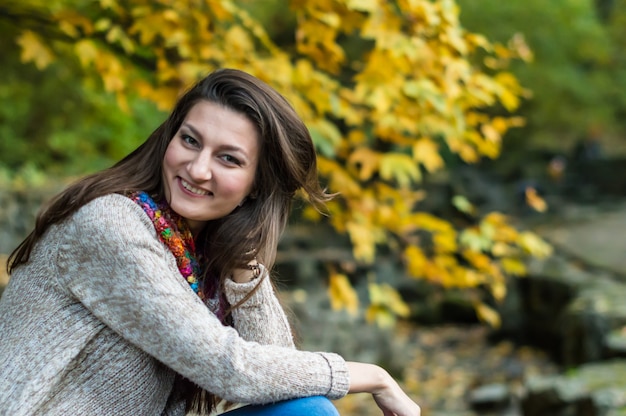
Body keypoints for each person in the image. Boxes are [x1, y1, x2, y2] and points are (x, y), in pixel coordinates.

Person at [0, 68, 420, 416]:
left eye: (228, 158)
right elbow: (228, 367)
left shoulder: (200, 256)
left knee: (304, 411)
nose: (197, 169)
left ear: (258, 185)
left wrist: (243, 260)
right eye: (190, 140)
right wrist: (373, 377)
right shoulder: (112, 224)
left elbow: (278, 374)